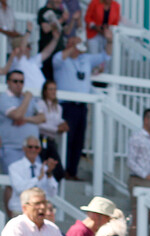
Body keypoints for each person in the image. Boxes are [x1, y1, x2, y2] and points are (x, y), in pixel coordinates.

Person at [53, 35, 111, 180]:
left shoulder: (86, 59)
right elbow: (57, 60)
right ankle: (63, 170)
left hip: (82, 106)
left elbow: (106, 55)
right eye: (71, 42)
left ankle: (73, 171)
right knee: (68, 139)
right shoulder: (62, 58)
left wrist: (109, 40)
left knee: (79, 140)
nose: (76, 45)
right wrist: (73, 46)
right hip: (67, 105)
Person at [0, 71, 46, 169]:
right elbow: (17, 116)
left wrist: (26, 119)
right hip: (12, 149)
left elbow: (42, 117)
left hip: (32, 150)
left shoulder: (27, 98)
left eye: (21, 82)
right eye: (15, 81)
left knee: (36, 181)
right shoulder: (4, 98)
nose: (19, 84)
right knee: (13, 182)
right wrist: (27, 98)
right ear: (8, 82)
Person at [127, 108, 150, 234]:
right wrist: (147, 175)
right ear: (146, 120)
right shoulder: (136, 137)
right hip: (138, 180)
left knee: (148, 217)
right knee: (137, 217)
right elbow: (131, 162)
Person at [7, 136, 58, 216]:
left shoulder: (43, 168)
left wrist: (49, 174)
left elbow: (52, 193)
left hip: (39, 213)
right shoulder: (14, 167)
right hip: (20, 211)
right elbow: (19, 189)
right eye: (30, 147)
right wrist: (38, 178)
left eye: (36, 147)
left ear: (39, 149)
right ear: (24, 148)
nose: (33, 150)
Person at [2, 30, 61, 95]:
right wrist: (28, 31)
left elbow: (47, 52)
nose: (30, 49)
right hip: (29, 96)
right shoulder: (16, 60)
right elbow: (22, 49)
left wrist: (55, 39)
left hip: (42, 96)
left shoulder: (33, 60)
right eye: (28, 46)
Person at [35, 80, 68, 183]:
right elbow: (39, 124)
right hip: (42, 139)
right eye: (50, 89)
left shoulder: (58, 107)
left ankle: (50, 187)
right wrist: (56, 129)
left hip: (51, 140)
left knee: (58, 169)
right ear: (45, 91)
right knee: (42, 165)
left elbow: (57, 120)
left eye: (55, 89)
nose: (53, 92)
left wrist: (63, 124)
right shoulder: (40, 104)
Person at [37, 0, 74, 82]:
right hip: (46, 51)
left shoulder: (60, 12)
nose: (59, 2)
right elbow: (46, 29)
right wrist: (61, 20)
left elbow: (67, 31)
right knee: (46, 78)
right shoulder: (43, 11)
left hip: (59, 51)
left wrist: (72, 19)